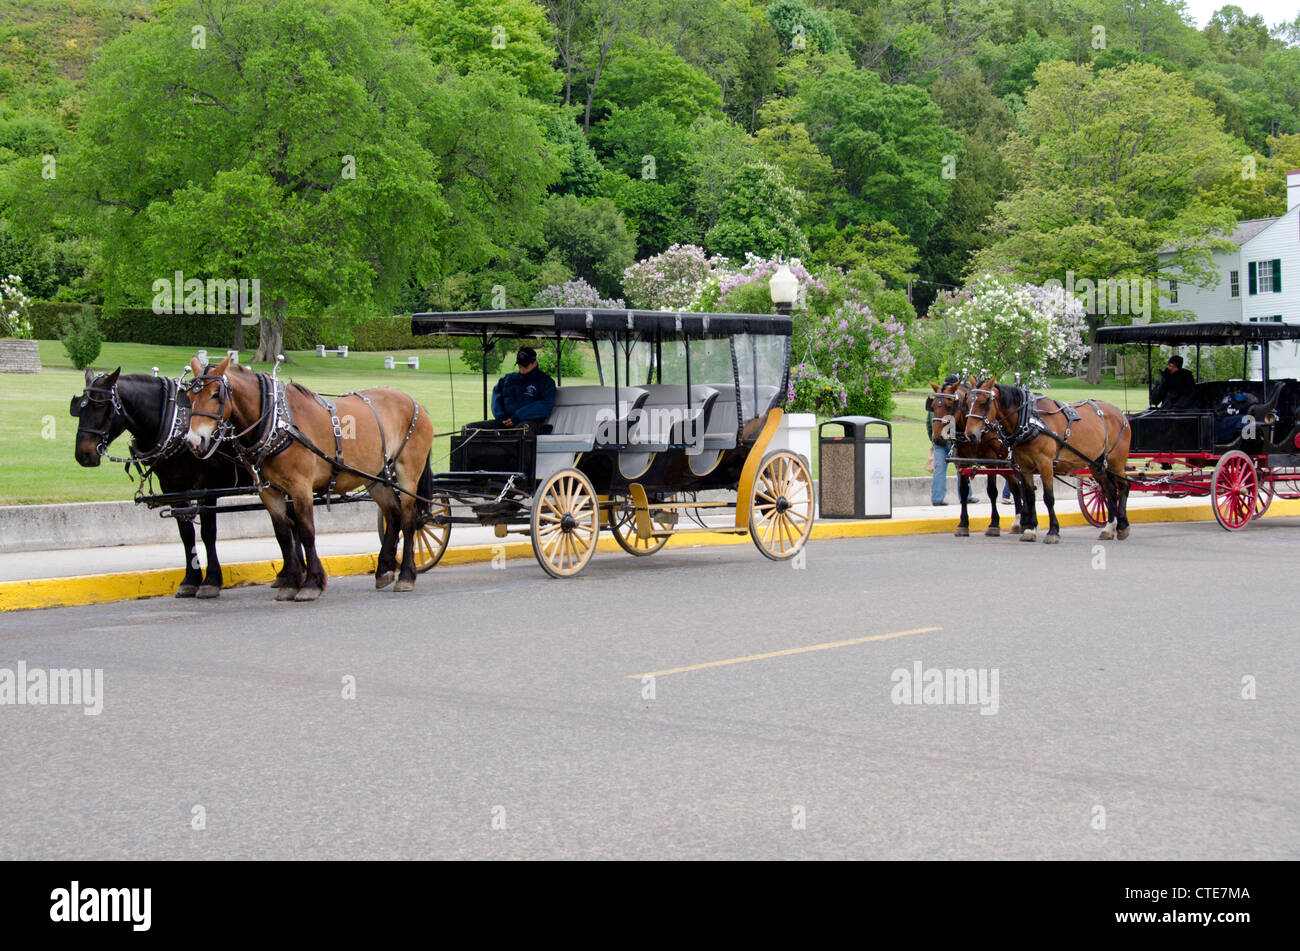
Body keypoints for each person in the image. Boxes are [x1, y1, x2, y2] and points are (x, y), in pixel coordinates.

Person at [474, 346, 557, 433]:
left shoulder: (546, 382)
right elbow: (496, 398)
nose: (522, 368)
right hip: (504, 422)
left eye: (525, 365)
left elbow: (546, 406)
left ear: (535, 363)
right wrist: (500, 417)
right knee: (471, 429)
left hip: (528, 422)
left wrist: (518, 417)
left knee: (522, 430)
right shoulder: (507, 379)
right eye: (520, 365)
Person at [927, 373, 973, 506]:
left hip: (939, 442)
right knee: (961, 468)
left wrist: (933, 438)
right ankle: (966, 496)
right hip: (954, 441)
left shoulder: (937, 401)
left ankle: (937, 498)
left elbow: (929, 424)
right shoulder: (953, 401)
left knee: (939, 470)